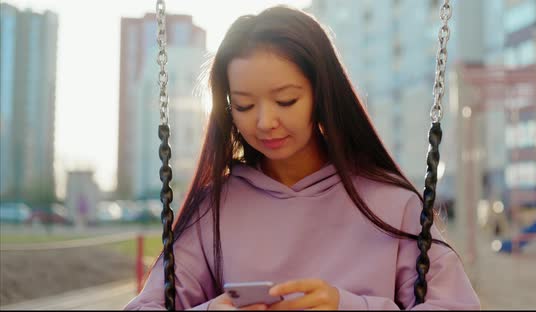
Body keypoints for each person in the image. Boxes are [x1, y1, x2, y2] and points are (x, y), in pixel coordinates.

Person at [125, 5, 480, 310]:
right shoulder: (214, 208)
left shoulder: (393, 206)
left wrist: (348, 306)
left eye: (286, 101)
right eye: (245, 105)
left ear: (322, 94)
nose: (265, 122)